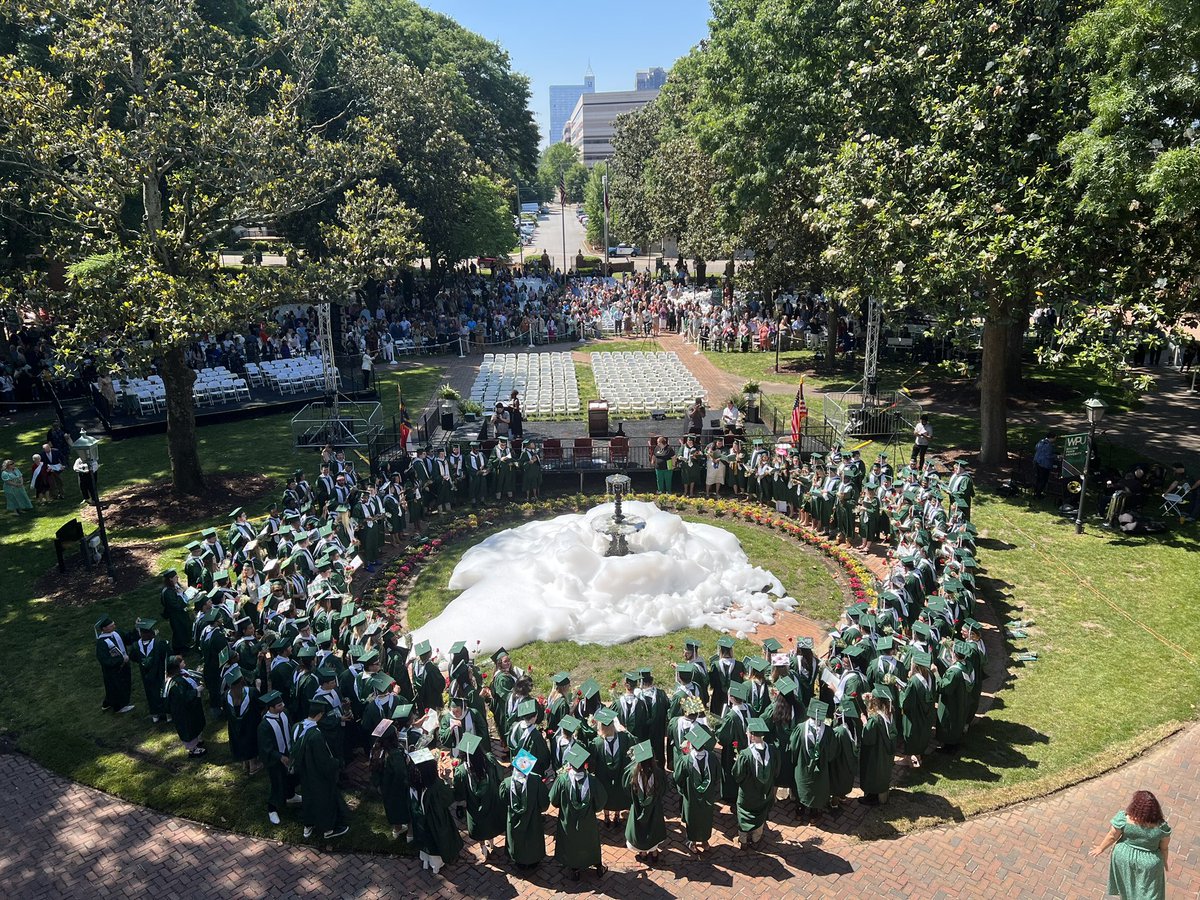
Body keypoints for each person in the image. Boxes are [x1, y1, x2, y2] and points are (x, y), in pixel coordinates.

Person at [1090, 789, 1171, 900]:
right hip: (1149, 863)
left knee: (1127, 887)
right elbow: (1164, 848)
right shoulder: (1161, 827)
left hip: (1123, 857)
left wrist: (1101, 848)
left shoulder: (1124, 819)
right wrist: (1164, 861)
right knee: (1150, 893)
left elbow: (1112, 836)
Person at [292, 698, 350, 840]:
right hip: (317, 773)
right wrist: (337, 763)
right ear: (319, 715)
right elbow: (324, 761)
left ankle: (308, 825)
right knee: (324, 799)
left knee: (308, 796)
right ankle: (328, 829)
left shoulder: (297, 727)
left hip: (304, 771)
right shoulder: (316, 735)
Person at [548, 743, 608, 881]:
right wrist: (594, 809)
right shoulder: (592, 781)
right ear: (585, 765)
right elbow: (601, 801)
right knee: (590, 842)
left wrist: (562, 805)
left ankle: (574, 869)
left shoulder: (562, 780)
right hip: (588, 822)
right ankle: (597, 865)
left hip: (568, 820)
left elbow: (553, 799)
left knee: (572, 842)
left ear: (570, 764)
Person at [453, 732, 505, 856]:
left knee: (480, 825)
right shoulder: (489, 760)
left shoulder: (461, 772)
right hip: (491, 799)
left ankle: (483, 847)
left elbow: (459, 793)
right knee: (491, 822)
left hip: (474, 805)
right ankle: (491, 842)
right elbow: (500, 775)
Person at [673, 723, 721, 854]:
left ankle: (692, 842)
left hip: (691, 796)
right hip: (708, 797)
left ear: (691, 745)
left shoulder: (685, 760)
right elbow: (717, 776)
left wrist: (683, 789)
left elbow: (678, 778)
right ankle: (705, 841)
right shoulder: (712, 758)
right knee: (706, 818)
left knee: (692, 818)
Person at [732, 717, 779, 848]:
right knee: (760, 813)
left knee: (744, 814)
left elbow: (737, 775)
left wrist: (738, 762)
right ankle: (756, 838)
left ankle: (743, 841)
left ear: (752, 736)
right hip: (765, 792)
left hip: (748, 794)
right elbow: (776, 770)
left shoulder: (745, 754)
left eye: (748, 732)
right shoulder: (772, 750)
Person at [257, 690, 301, 825]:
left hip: (288, 753)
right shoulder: (264, 725)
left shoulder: (285, 714)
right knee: (278, 783)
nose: (282, 707)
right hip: (275, 760)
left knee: (291, 777)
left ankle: (291, 795)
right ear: (270, 708)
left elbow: (291, 728)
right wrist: (280, 757)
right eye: (279, 706)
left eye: (282, 704)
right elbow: (265, 747)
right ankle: (272, 808)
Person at [502, 748, 550, 870]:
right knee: (532, 837)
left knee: (516, 838)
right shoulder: (536, 781)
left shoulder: (507, 783)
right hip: (533, 818)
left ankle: (518, 859)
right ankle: (533, 860)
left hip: (514, 819)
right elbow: (544, 803)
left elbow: (503, 800)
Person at [624, 740, 667, 864]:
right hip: (654, 809)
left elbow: (626, 789)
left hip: (637, 808)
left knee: (641, 829)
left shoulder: (632, 774)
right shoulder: (658, 774)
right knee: (653, 828)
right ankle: (654, 852)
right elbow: (663, 790)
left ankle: (642, 852)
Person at [163, 655, 207, 757]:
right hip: (184, 711)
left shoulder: (175, 679)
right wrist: (196, 691)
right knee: (189, 728)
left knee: (193, 726)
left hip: (185, 709)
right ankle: (193, 750)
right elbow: (184, 696)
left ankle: (196, 742)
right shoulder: (177, 683)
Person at [129, 617, 169, 723]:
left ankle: (155, 715)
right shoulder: (159, 643)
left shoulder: (136, 646)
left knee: (150, 693)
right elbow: (166, 655)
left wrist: (143, 662)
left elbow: (133, 657)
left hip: (146, 674)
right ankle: (167, 713)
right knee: (161, 691)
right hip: (159, 672)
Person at [95, 615, 135, 714]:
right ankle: (120, 707)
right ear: (104, 629)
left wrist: (136, 629)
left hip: (124, 665)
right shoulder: (102, 643)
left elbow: (128, 638)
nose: (114, 626)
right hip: (114, 670)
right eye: (111, 625)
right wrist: (121, 660)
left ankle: (107, 703)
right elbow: (105, 660)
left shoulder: (116, 633)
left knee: (113, 688)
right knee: (118, 686)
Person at [1033, 433, 1056, 498]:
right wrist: (1056, 456)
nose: (1055, 440)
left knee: (1038, 478)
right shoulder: (1049, 445)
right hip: (1044, 464)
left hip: (1037, 461)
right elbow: (1049, 456)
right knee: (1043, 479)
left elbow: (1036, 448)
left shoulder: (1041, 442)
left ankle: (1036, 491)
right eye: (1054, 438)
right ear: (1051, 438)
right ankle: (1038, 494)